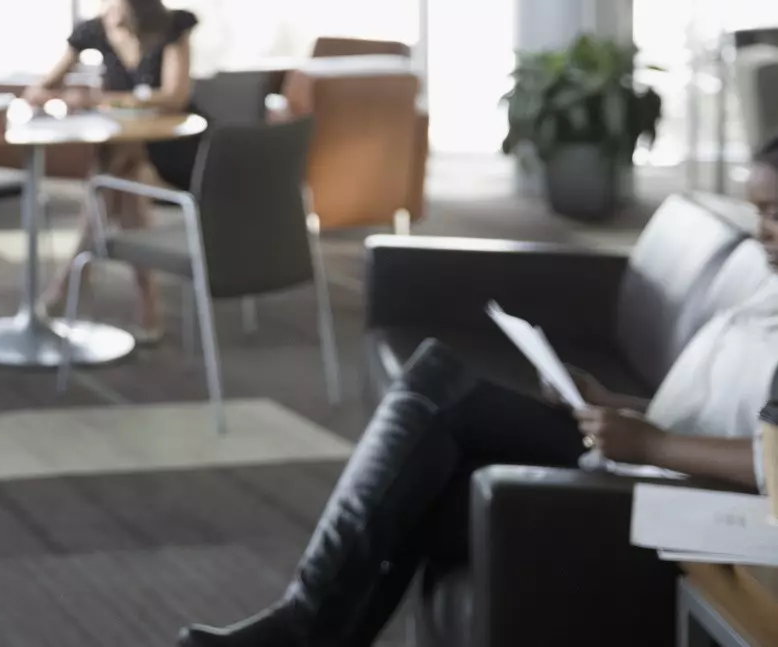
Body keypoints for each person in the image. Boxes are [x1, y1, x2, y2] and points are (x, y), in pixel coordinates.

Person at [180, 138, 778, 646]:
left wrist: (653, 445)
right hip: (653, 448)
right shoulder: (768, 286)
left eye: (773, 211)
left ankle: (303, 625)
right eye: (756, 211)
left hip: (685, 489)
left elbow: (773, 462)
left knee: (438, 389)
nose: (761, 232)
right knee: (435, 411)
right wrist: (616, 405)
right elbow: (728, 411)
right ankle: (310, 626)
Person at [25, 0, 199, 340]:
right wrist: (66, 97)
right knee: (123, 176)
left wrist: (97, 99)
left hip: (175, 149)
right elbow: (39, 90)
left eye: (116, 6)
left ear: (139, 7)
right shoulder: (93, 32)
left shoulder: (172, 29)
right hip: (125, 146)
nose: (109, 14)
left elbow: (175, 97)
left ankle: (71, 280)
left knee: (116, 178)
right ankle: (145, 304)